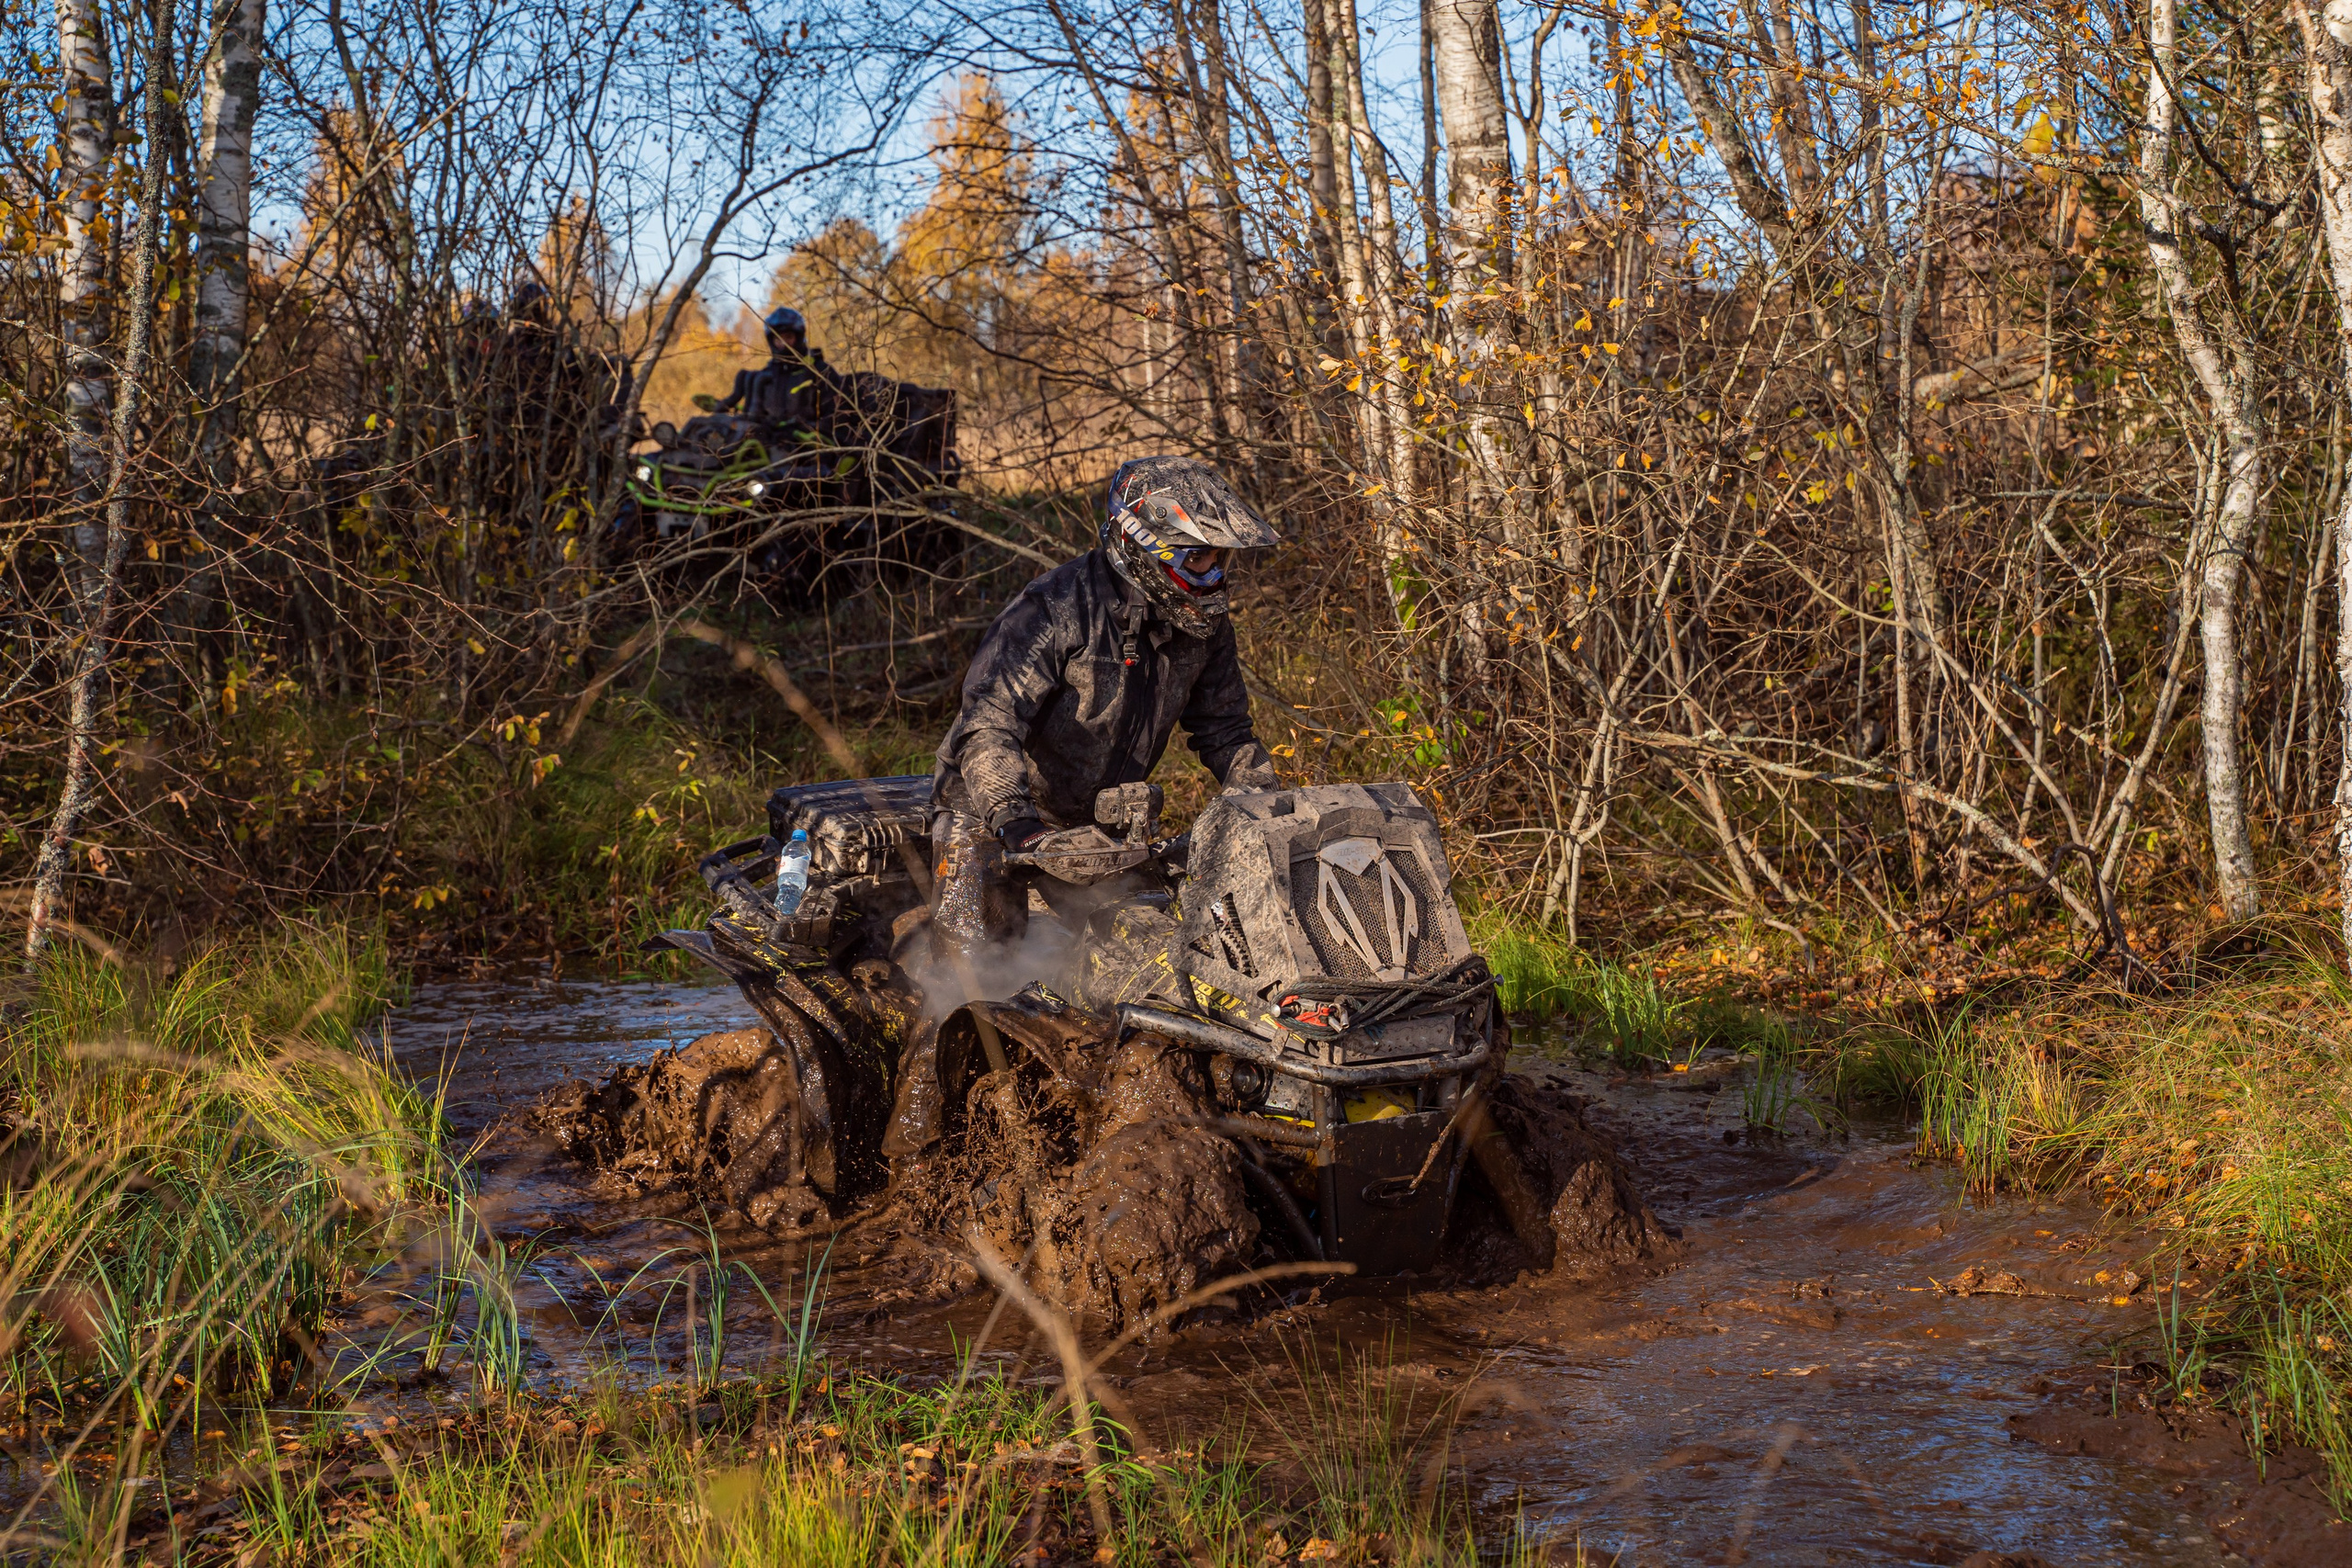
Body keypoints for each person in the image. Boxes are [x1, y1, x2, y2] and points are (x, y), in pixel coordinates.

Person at [928, 455, 1283, 957]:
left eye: (1221, 558)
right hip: (991, 814)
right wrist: (1017, 824)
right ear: (1148, 546)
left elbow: (1225, 730)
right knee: (981, 963)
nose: (1215, 573)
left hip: (1099, 827)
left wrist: (1268, 809)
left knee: (1145, 957)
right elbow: (989, 726)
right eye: (1201, 558)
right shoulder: (1054, 608)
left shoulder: (1203, 626)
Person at [712, 305, 832, 438]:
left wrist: (805, 430)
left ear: (798, 337)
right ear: (772, 341)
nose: (783, 343)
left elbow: (834, 417)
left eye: (788, 337)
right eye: (778, 339)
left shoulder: (819, 370)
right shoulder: (768, 373)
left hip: (808, 445)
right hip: (770, 443)